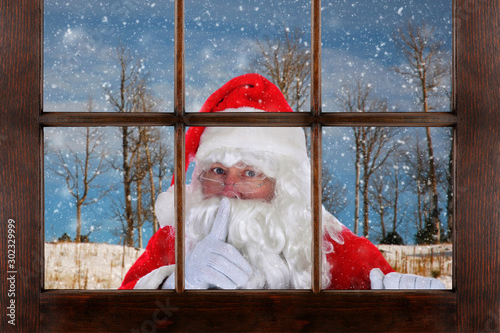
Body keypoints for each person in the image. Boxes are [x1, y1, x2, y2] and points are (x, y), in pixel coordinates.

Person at [120, 73, 445, 290]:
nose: (229, 187)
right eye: (218, 171)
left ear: (282, 185)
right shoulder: (170, 244)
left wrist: (406, 308)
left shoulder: (338, 251)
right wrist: (174, 284)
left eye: (250, 173)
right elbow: (113, 320)